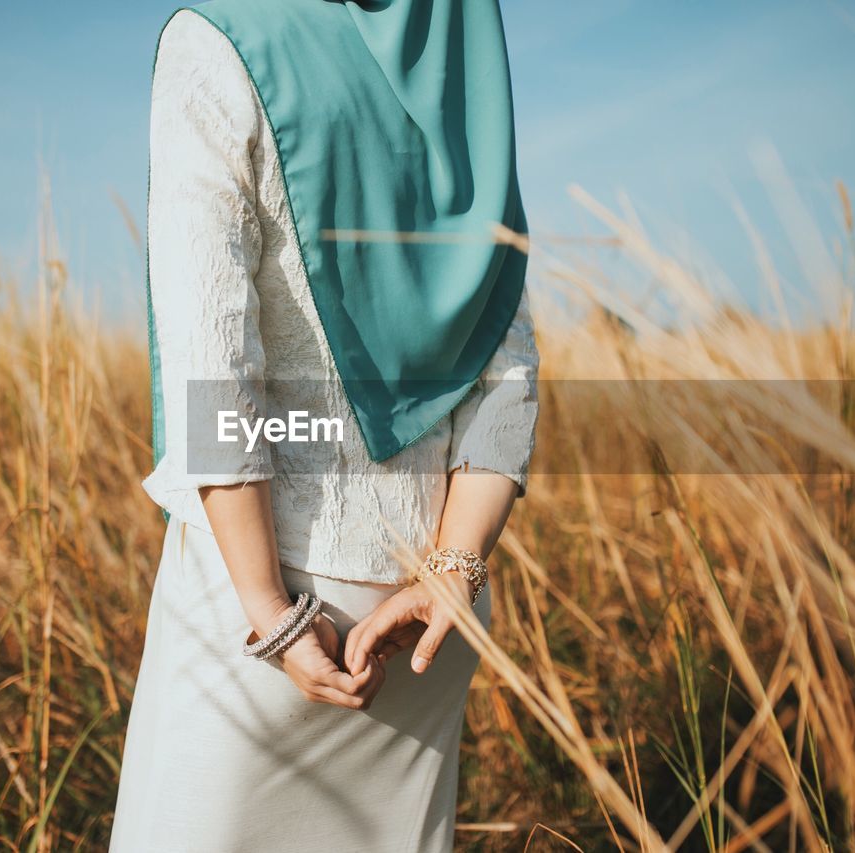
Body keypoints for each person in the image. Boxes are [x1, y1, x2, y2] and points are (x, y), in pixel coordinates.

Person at [110, 0, 538, 849]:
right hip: (428, 617)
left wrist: (270, 611)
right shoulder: (462, 62)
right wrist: (454, 566)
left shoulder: (219, 42)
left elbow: (214, 357)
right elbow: (510, 367)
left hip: (265, 607)